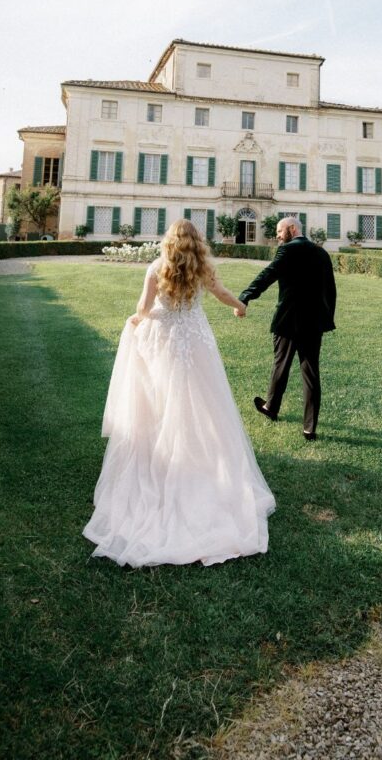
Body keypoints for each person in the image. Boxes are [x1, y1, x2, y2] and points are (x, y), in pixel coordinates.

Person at [83, 219, 275, 567]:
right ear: (196, 241)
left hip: (165, 341)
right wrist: (240, 306)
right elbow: (221, 294)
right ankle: (201, 460)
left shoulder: (157, 268)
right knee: (202, 402)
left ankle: (167, 457)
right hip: (195, 340)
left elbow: (143, 309)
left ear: (169, 241)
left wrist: (136, 321)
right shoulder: (202, 267)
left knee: (161, 401)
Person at [237, 216, 336, 441]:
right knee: (311, 373)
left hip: (288, 320)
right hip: (314, 323)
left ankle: (271, 407)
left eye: (280, 231)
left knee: (280, 365)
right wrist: (325, 318)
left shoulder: (287, 251)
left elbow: (267, 275)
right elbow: (330, 290)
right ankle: (309, 428)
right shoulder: (321, 253)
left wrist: (245, 296)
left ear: (293, 229)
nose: (278, 236)